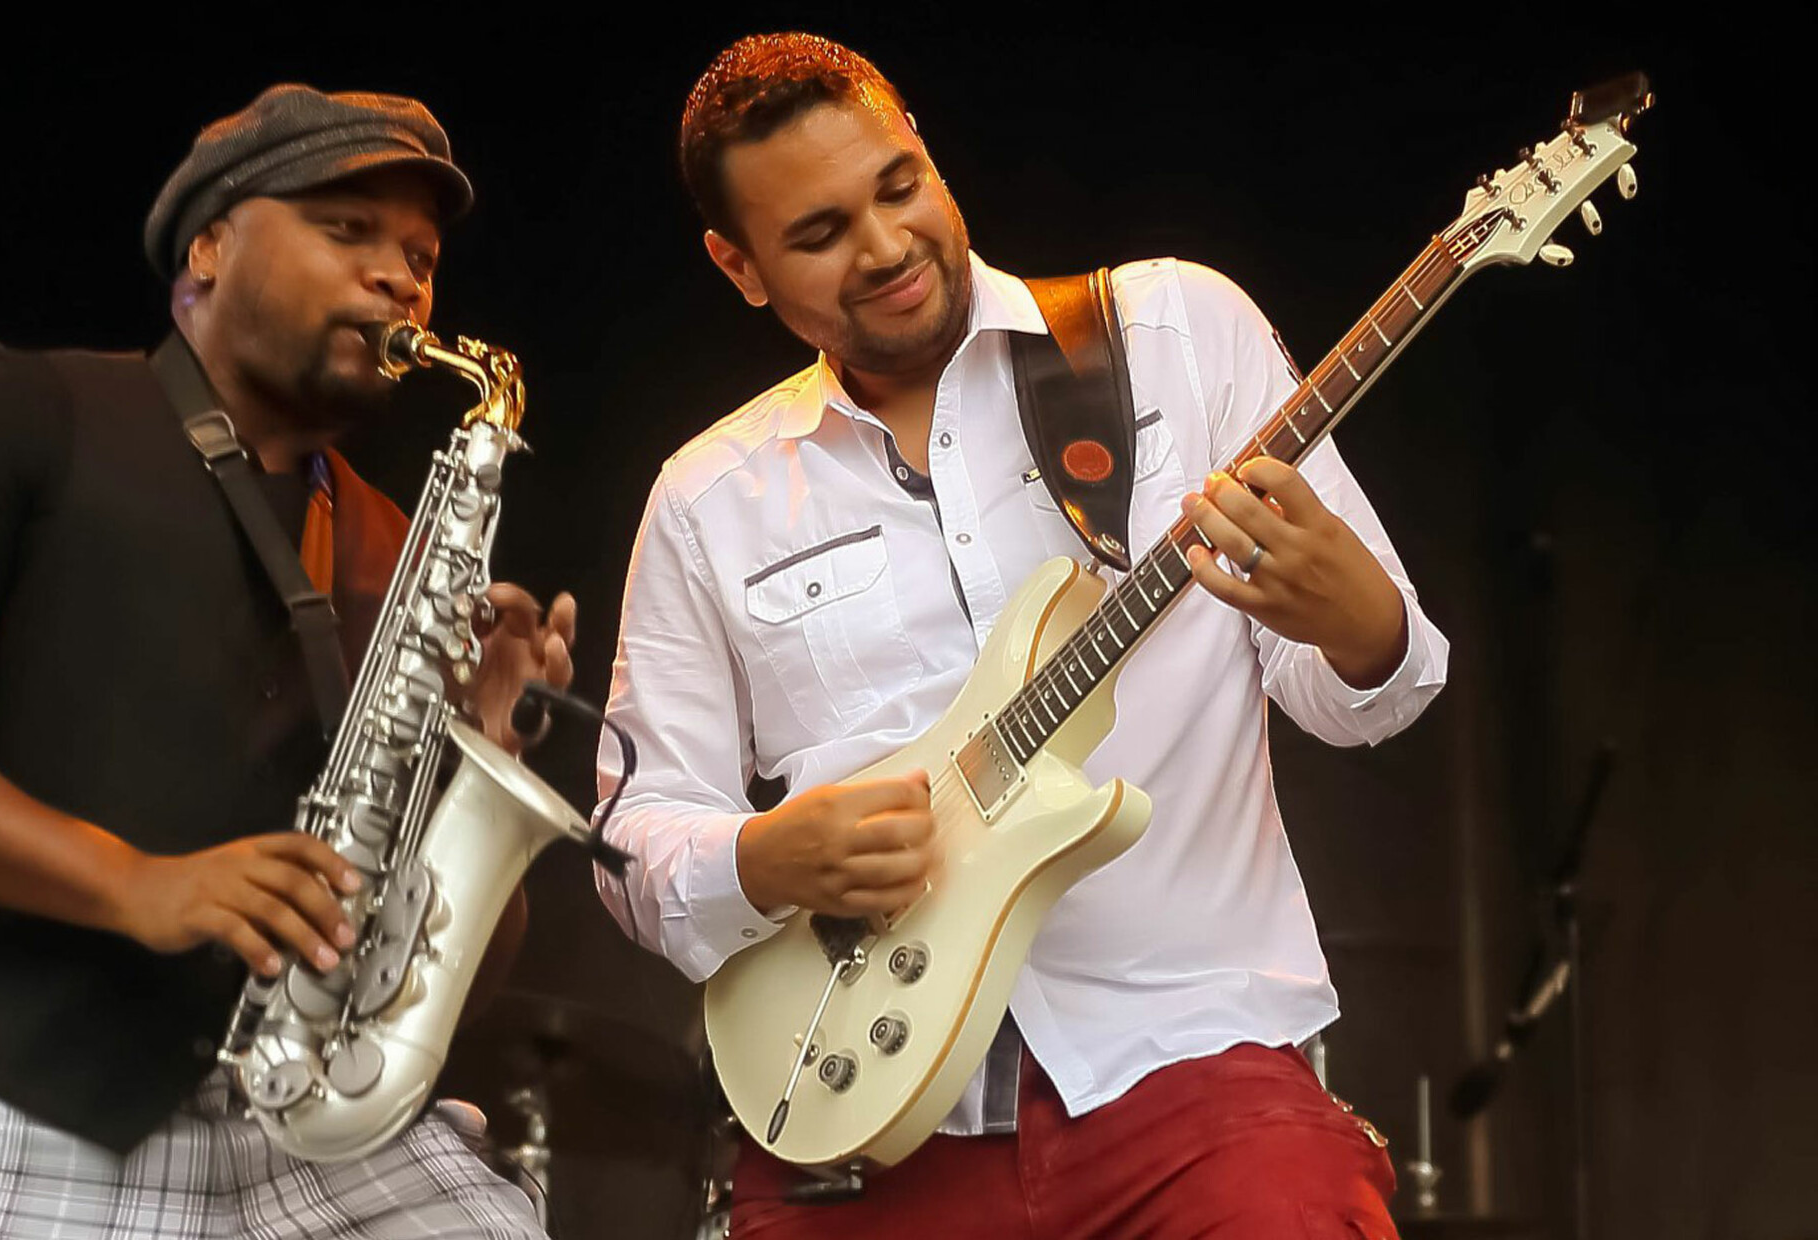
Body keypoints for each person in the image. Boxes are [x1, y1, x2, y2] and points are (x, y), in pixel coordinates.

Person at [594, 34, 1448, 1239]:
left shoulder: (1172, 331)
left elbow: (1370, 692)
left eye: (900, 186)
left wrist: (1353, 620)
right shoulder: (706, 495)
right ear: (737, 266)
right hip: (859, 1112)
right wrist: (764, 859)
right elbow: (632, 835)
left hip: (1188, 1065)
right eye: (821, 233)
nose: (887, 247)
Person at [0, 84, 571, 1239]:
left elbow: (435, 973)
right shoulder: (16, 414)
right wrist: (138, 881)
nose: (398, 277)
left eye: (418, 253)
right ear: (207, 247)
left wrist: (483, 750)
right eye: (344, 229)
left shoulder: (398, 545)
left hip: (305, 1126)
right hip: (23, 1099)